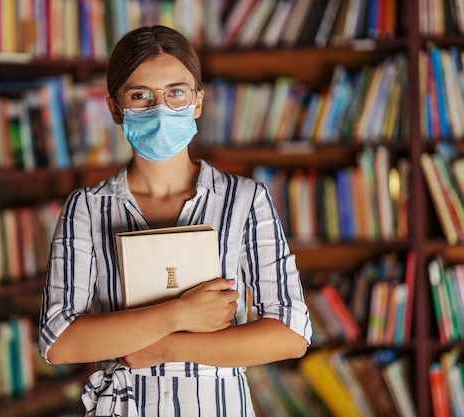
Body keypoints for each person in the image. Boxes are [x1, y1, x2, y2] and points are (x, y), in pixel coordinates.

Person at [39, 25, 312, 416]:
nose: (161, 108)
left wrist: (168, 346)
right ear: (115, 109)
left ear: (197, 102)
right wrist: (179, 314)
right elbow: (58, 341)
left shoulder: (247, 200)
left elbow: (291, 334)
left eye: (176, 93)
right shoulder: (86, 207)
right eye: (140, 95)